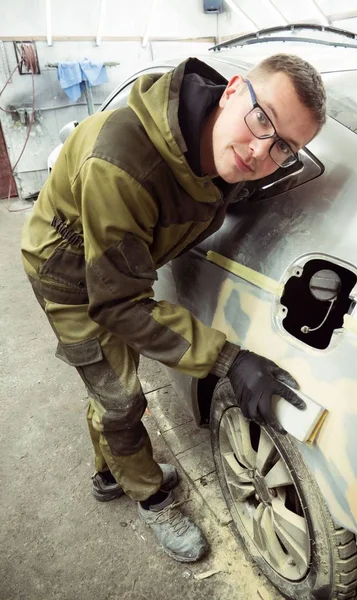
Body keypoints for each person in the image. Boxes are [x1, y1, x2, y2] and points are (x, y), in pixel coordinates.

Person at [21, 53, 326, 562]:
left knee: (111, 383)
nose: (260, 150)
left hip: (118, 271)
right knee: (121, 396)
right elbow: (118, 303)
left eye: (284, 147)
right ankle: (149, 495)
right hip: (68, 273)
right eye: (262, 118)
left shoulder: (229, 154)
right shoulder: (121, 164)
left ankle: (110, 471)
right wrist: (229, 359)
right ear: (231, 91)